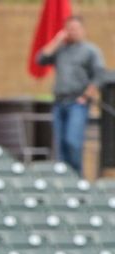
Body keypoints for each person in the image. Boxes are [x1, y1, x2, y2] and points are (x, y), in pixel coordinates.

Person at [36, 16, 106, 174]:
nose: (72, 32)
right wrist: (57, 40)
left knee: (73, 142)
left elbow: (100, 75)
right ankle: (65, 181)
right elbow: (40, 59)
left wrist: (86, 96)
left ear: (83, 30)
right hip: (59, 102)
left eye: (75, 28)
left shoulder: (90, 51)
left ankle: (77, 179)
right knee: (60, 146)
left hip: (77, 103)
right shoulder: (60, 50)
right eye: (69, 29)